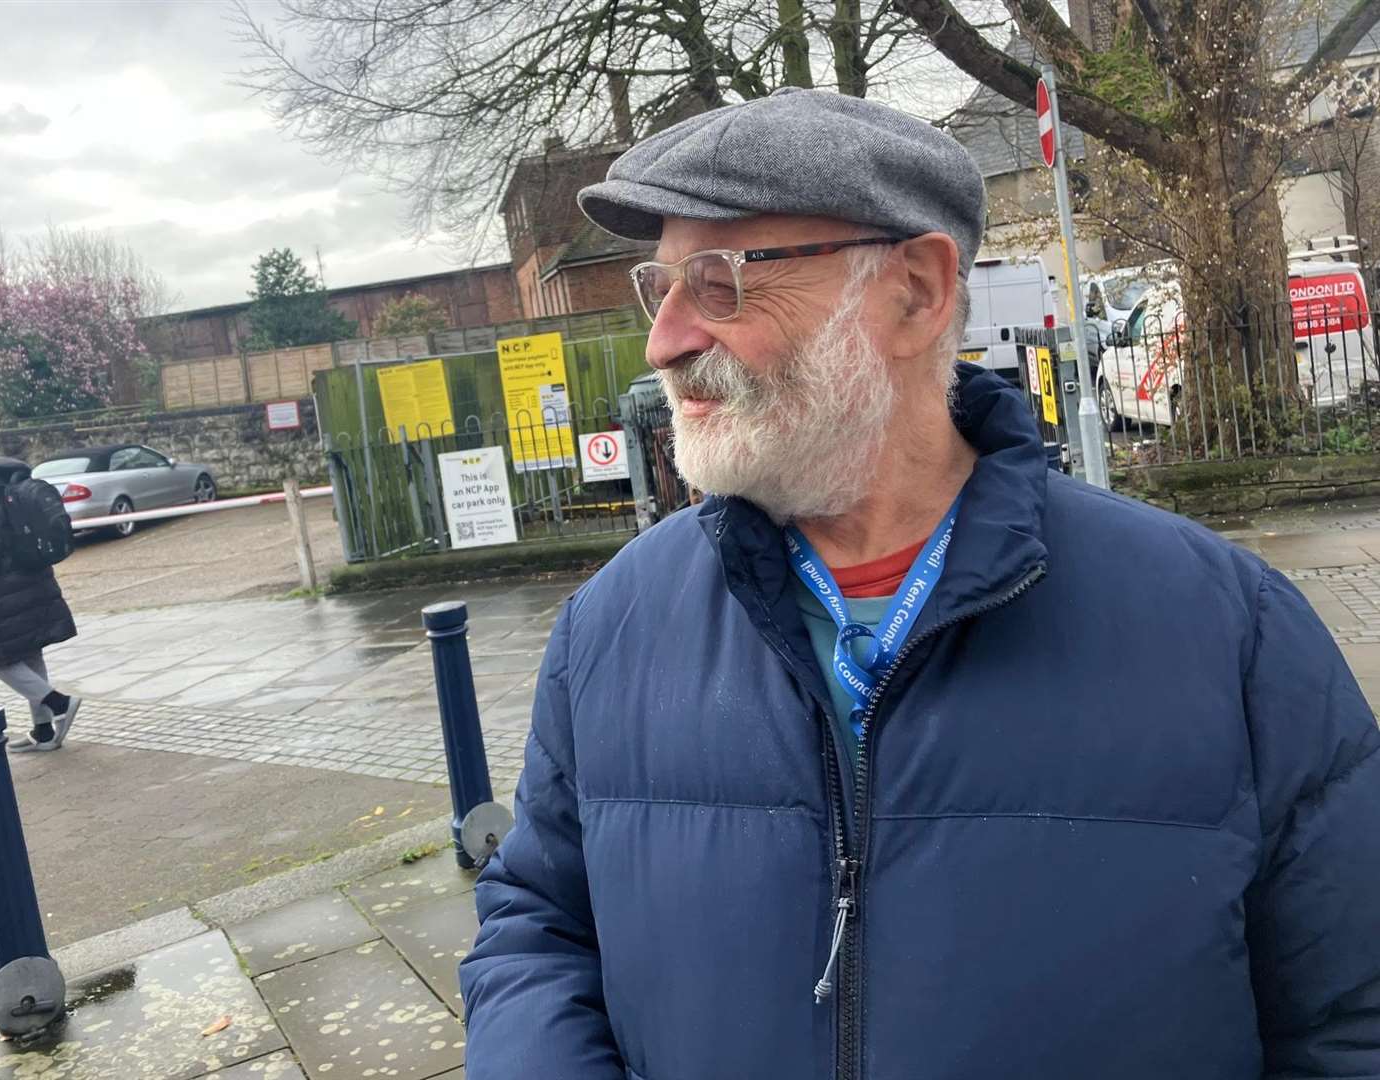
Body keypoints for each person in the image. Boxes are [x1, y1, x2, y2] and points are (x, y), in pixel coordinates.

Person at [459, 89, 1380, 1079]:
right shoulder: (612, 629)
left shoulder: (1226, 634)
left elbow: (1348, 1021)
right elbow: (537, 924)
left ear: (914, 292)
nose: (665, 339)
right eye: (661, 287)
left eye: (720, 281)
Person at [0, 433, 81, 753]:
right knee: (28, 650)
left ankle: (58, 703)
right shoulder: (11, 479)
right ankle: (43, 731)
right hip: (29, 578)